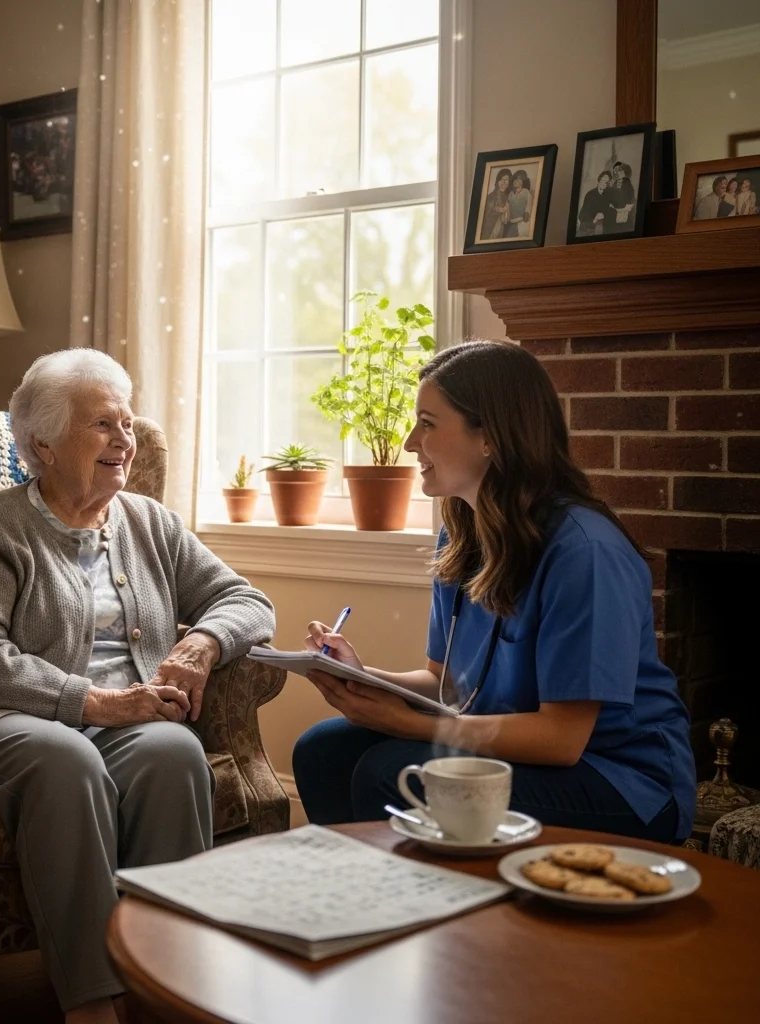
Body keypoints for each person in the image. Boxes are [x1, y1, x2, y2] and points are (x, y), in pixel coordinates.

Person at [0, 349, 276, 1024]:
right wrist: (97, 702)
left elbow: (247, 601)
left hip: (125, 720)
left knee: (172, 752)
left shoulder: (150, 523)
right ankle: (92, 1000)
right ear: (43, 444)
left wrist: (202, 642)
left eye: (128, 423)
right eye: (103, 423)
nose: (124, 439)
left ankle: (166, 981)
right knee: (64, 758)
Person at [292, 341, 696, 845]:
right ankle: (367, 907)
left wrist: (409, 725)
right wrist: (361, 676)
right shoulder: (461, 534)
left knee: (389, 768)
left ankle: (424, 910)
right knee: (322, 751)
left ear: (489, 436)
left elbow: (562, 739)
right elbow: (445, 683)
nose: (410, 442)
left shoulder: (585, 552)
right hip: (514, 752)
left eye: (427, 423)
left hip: (619, 781)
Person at [577, 171, 614, 235]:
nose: (603, 183)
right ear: (599, 180)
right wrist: (594, 219)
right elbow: (583, 215)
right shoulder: (590, 194)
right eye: (602, 180)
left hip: (601, 226)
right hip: (588, 226)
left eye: (606, 182)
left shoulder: (607, 195)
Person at [480, 168, 511, 240]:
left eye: (506, 179)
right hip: (490, 228)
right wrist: (499, 210)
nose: (503, 182)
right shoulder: (491, 196)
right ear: (497, 182)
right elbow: (485, 212)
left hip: (502, 228)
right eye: (501, 179)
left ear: (509, 183)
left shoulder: (509, 196)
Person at [503, 170, 533, 238]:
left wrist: (526, 215)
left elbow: (528, 208)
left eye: (520, 180)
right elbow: (506, 207)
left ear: (523, 182)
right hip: (510, 223)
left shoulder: (526, 192)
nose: (517, 182)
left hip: (521, 223)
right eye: (515, 179)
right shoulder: (510, 194)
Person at [608, 161, 636, 226]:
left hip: (625, 213)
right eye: (615, 171)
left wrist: (626, 209)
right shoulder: (613, 184)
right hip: (615, 212)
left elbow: (631, 199)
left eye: (619, 170)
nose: (617, 172)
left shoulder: (627, 183)